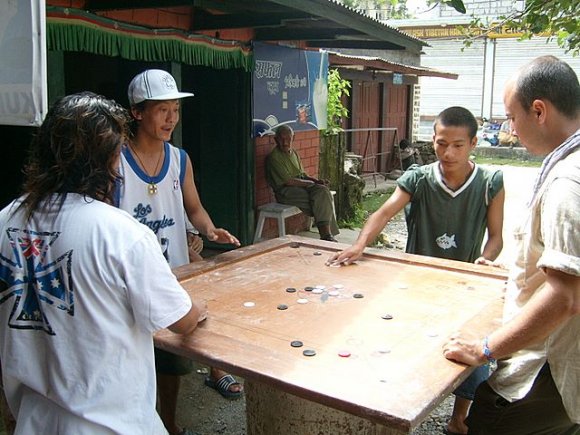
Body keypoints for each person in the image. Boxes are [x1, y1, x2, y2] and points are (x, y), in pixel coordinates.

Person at [0, 92, 207, 434]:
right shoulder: (122, 234)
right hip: (112, 425)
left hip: (32, 422)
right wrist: (199, 307)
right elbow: (182, 321)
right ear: (109, 159)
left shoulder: (6, 220)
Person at [327, 106, 505, 435]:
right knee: (406, 345)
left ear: (473, 143)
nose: (447, 152)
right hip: (415, 282)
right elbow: (383, 213)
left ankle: (458, 418)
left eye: (457, 145)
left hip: (464, 284)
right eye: (440, 143)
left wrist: (487, 259)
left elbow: (495, 237)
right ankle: (395, 409)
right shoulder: (419, 178)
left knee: (468, 355)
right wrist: (360, 244)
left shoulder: (489, 182)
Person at [443, 56, 580, 434]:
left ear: (539, 111)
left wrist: (483, 349)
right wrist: (521, 273)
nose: (510, 128)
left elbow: (565, 297)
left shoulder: (568, 183)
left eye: (511, 116)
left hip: (541, 377)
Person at [115, 69, 244, 435]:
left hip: (174, 271)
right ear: (137, 113)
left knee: (172, 360)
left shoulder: (179, 159)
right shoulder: (116, 161)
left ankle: (169, 425)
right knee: (136, 356)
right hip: (130, 279)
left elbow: (193, 208)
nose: (171, 118)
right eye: (162, 110)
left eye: (175, 109)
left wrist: (208, 228)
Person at [265, 124, 339, 242]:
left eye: (288, 139)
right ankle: (327, 235)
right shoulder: (274, 157)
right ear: (276, 139)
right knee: (322, 199)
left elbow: (302, 175)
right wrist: (311, 184)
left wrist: (316, 181)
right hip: (285, 192)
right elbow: (289, 181)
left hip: (300, 187)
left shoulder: (293, 153)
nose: (285, 143)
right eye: (282, 139)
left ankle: (327, 235)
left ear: (293, 139)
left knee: (323, 192)